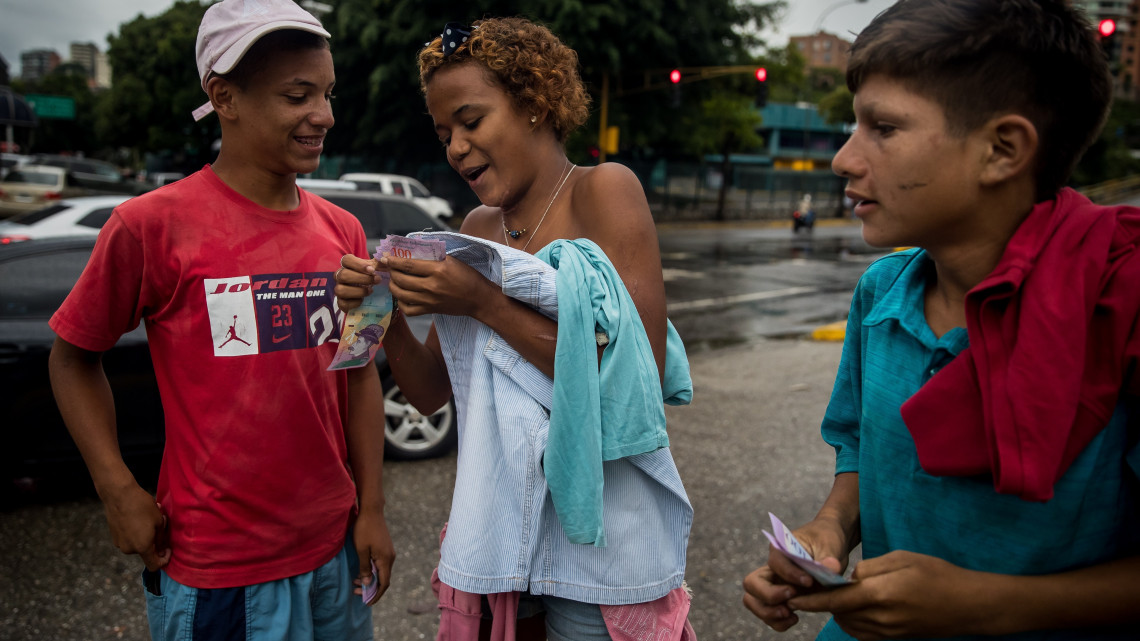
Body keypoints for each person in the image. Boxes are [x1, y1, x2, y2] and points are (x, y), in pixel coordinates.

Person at [743, 0, 1140, 639]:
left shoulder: (1120, 307)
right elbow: (862, 453)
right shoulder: (881, 293)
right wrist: (828, 533)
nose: (845, 159)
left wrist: (985, 603)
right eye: (854, 124)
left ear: (1002, 150)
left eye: (884, 128)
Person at [335, 17, 695, 641]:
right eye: (444, 132)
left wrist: (483, 302)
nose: (454, 148)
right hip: (502, 545)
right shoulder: (474, 227)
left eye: (471, 122)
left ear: (534, 103)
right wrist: (382, 309)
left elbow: (643, 373)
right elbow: (427, 393)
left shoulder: (604, 191)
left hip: (598, 554)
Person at [47, 0, 394, 638]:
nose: (325, 116)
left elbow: (362, 371)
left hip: (334, 553)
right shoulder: (148, 225)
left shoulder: (344, 229)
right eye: (298, 96)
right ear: (224, 97)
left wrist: (370, 508)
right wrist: (115, 486)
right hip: (221, 571)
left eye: (326, 93)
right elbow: (71, 357)